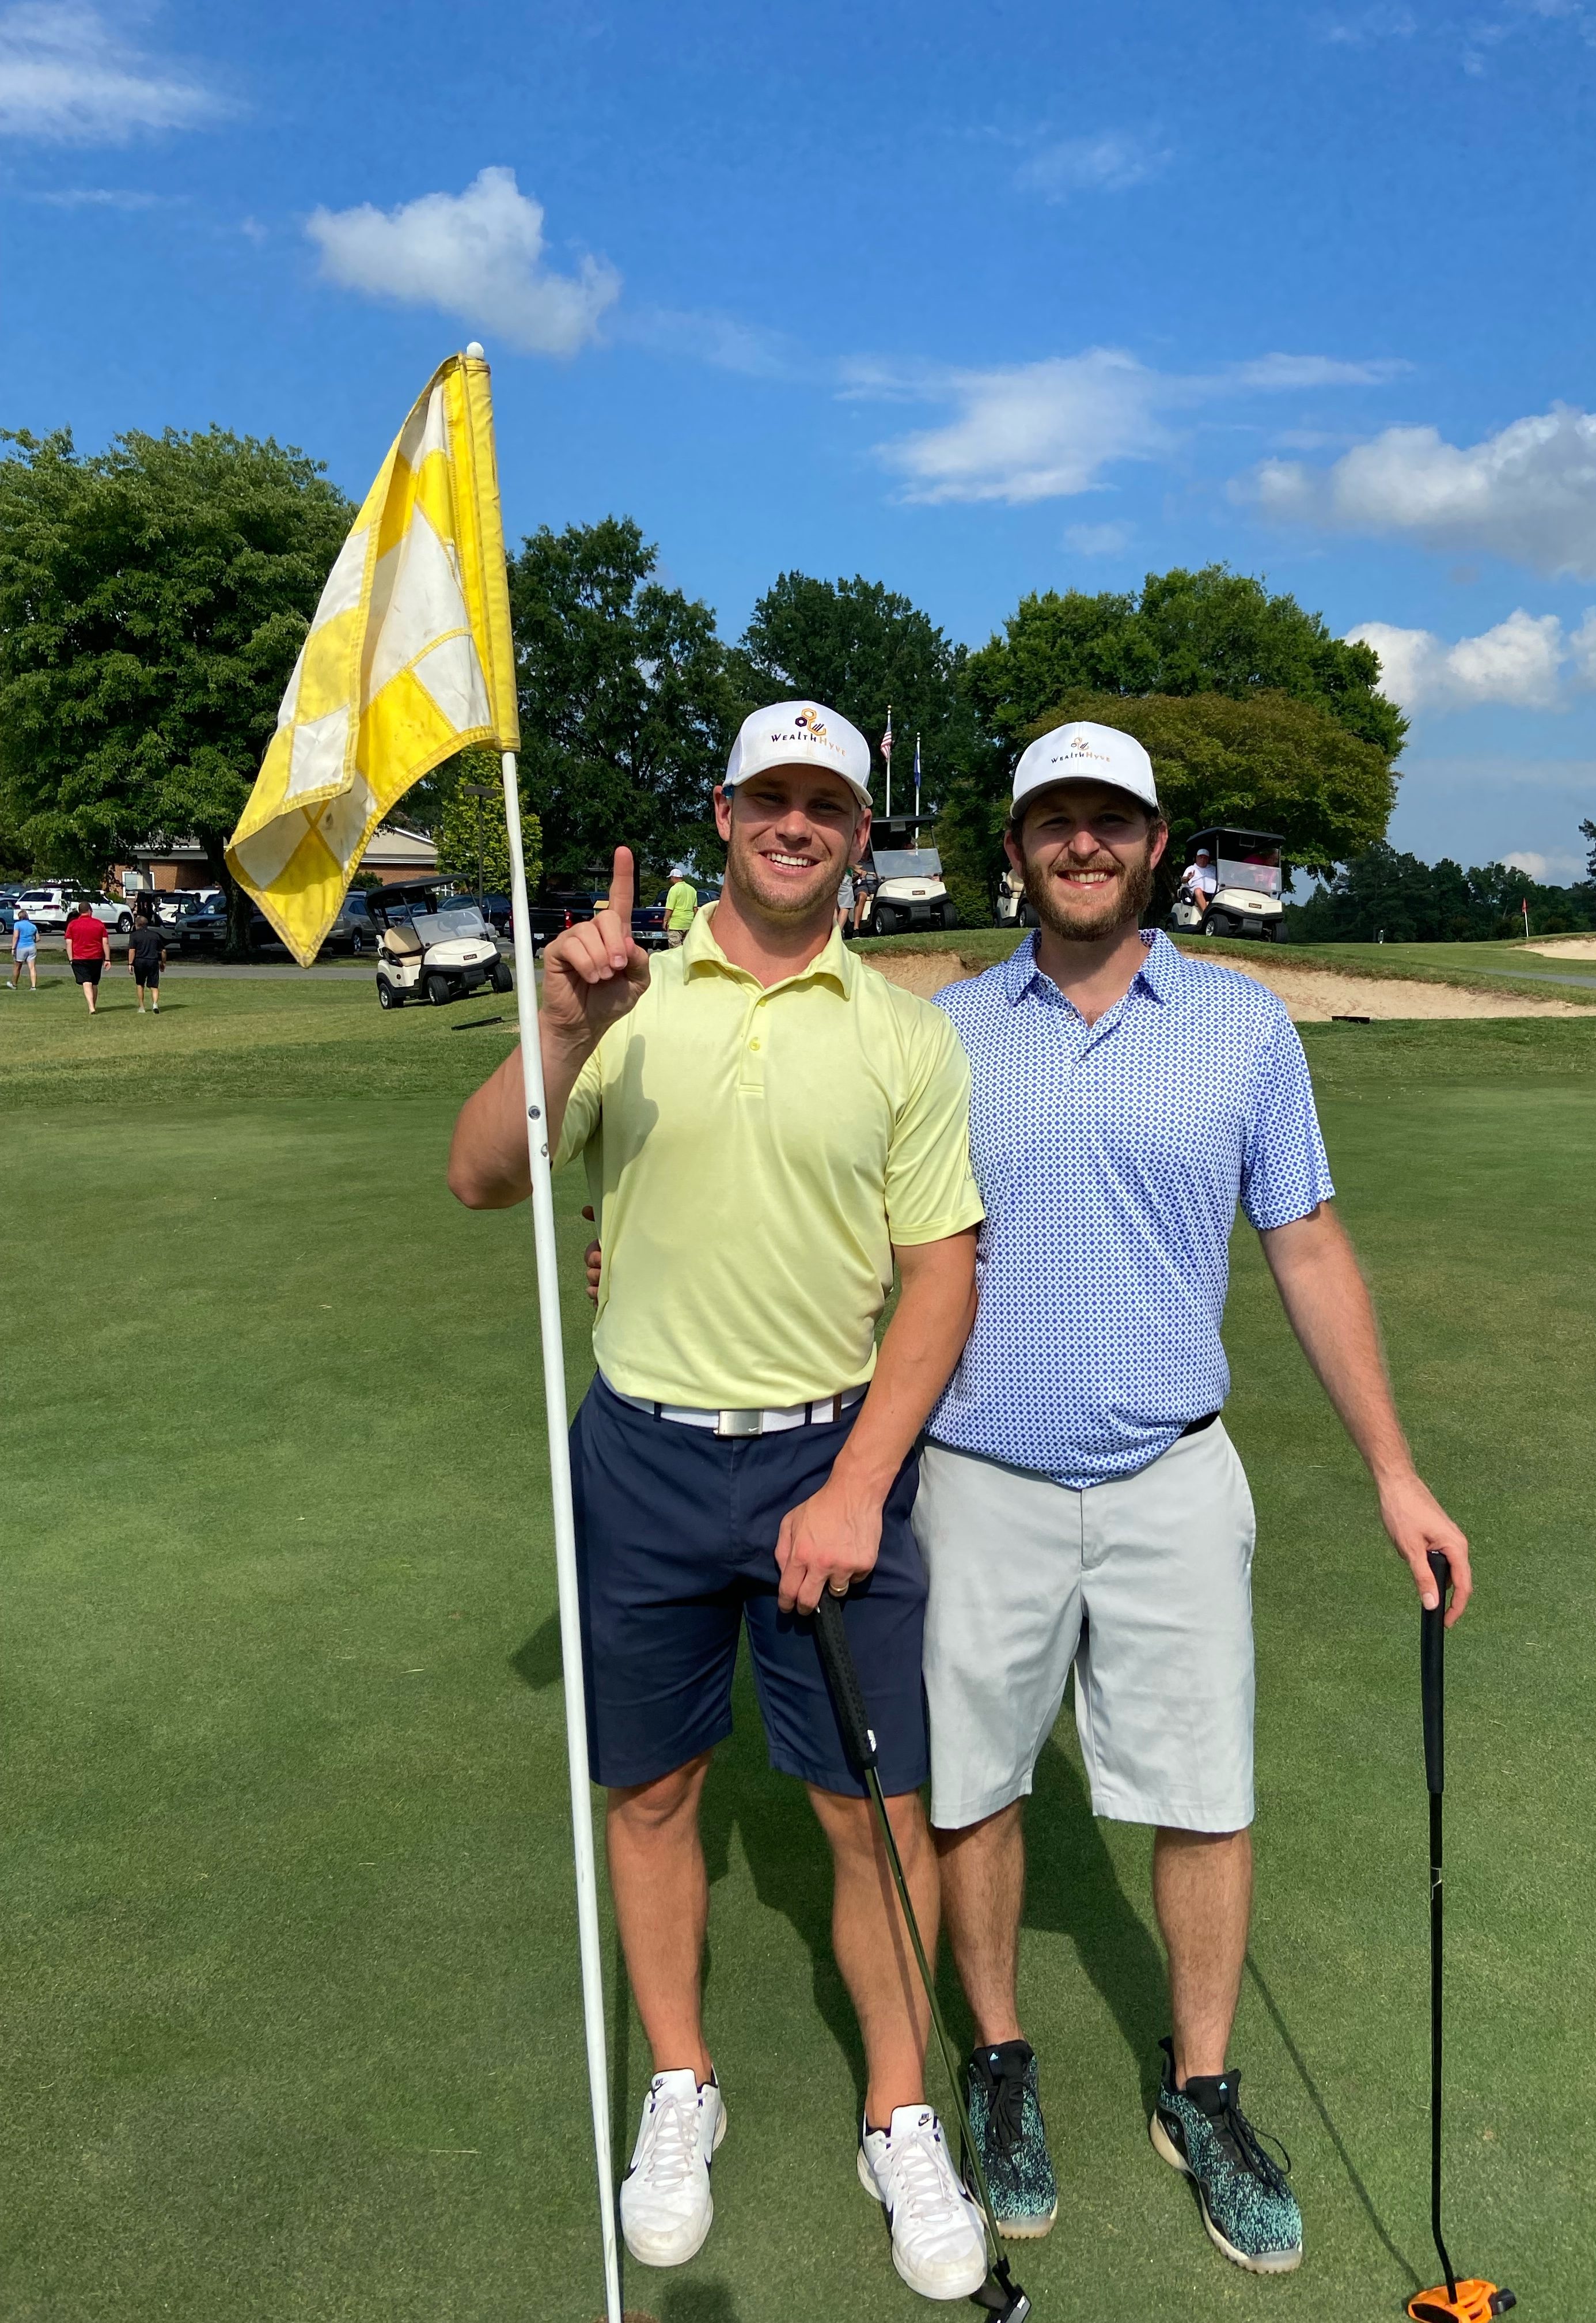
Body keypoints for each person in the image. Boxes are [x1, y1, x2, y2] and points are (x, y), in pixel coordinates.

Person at [448, 700, 990, 2302]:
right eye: (774, 794)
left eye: (829, 801)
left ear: (860, 835)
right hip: (646, 1453)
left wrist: (859, 1486)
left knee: (874, 1814)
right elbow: (485, 1174)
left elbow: (940, 1277)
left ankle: (901, 2111)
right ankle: (681, 2082)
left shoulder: (904, 1030)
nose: (797, 821)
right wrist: (556, 1024)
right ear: (724, 809)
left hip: (834, 1467)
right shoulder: (625, 993)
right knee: (656, 1794)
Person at [918, 720, 1473, 2274]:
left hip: (1173, 1472)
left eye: (1113, 821)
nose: (1082, 845)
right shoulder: (945, 1031)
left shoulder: (1241, 1025)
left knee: (1205, 1789)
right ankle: (1002, 2063)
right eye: (1054, 821)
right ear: (1014, 846)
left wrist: (1395, 1469)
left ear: (1158, 845)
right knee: (976, 1786)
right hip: (979, 1476)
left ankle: (1202, 2087)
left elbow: (1306, 1247)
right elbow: (872, 1244)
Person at [65, 902, 109, 1013]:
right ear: (90, 911)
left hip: (79, 957)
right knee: (94, 982)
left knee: (86, 981)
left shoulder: (72, 925)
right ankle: (93, 1005)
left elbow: (69, 943)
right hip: (96, 957)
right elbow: (105, 943)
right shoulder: (99, 924)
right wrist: (107, 959)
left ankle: (91, 1007)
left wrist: (71, 959)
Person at [129, 910, 166, 1013]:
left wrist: (130, 963)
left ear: (138, 925)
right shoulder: (155, 935)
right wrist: (163, 963)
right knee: (154, 985)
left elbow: (132, 950)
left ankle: (142, 1007)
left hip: (140, 961)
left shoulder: (134, 936)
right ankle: (155, 1004)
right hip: (153, 961)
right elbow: (163, 950)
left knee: (140, 984)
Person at [663, 865, 699, 946]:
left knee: (675, 951)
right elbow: (695, 909)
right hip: (689, 924)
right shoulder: (692, 889)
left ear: (673, 877)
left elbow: (670, 909)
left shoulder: (674, 889)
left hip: (676, 924)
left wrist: (665, 920)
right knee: (687, 949)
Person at [9, 904, 38, 990]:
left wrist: (13, 948)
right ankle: (33, 986)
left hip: (21, 947)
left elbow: (16, 936)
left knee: (18, 966)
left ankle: (14, 984)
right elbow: (38, 938)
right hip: (32, 947)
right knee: (32, 967)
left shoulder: (17, 925)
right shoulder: (33, 926)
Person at [1188, 844, 1218, 917]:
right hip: (1199, 895)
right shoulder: (1191, 868)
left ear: (1208, 859)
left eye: (1205, 858)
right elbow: (1183, 880)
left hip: (1215, 894)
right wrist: (1188, 878)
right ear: (1197, 858)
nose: (1203, 860)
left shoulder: (1213, 869)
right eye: (1201, 857)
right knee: (1198, 891)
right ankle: (1207, 916)